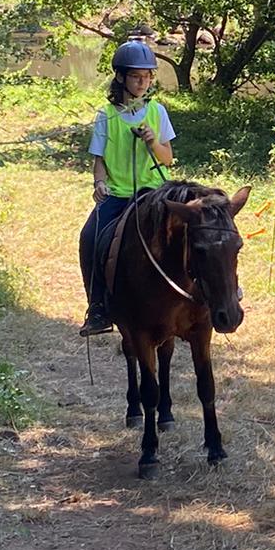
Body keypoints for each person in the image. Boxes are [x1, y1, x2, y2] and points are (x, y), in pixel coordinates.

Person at [78, 39, 175, 336]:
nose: (143, 82)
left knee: (194, 227)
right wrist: (99, 183)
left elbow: (167, 159)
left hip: (154, 191)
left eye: (147, 77)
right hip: (119, 194)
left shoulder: (157, 111)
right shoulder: (106, 115)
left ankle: (212, 291)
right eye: (136, 76)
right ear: (120, 77)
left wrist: (153, 142)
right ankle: (98, 308)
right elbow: (99, 160)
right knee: (90, 237)